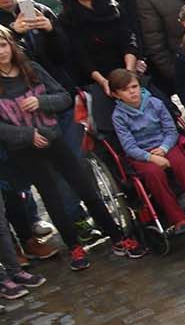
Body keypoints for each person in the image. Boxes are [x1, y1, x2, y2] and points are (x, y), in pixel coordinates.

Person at [0, 26, 141, 268]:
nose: (1, 52)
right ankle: (74, 246)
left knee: (84, 187)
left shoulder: (32, 70)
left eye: (3, 45)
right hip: (25, 148)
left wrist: (41, 102)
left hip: (55, 140)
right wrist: (28, 134)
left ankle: (117, 236)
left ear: (11, 45)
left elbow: (64, 97)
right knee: (51, 198)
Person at [107, 69, 185, 231]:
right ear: (116, 95)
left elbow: (171, 130)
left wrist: (164, 149)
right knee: (154, 174)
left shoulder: (155, 103)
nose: (132, 92)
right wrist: (151, 158)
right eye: (125, 90)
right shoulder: (118, 116)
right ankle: (178, 219)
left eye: (134, 86)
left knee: (182, 163)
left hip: (165, 144)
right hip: (141, 154)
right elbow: (129, 147)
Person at [56, 0, 136, 137]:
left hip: (127, 69)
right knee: (112, 128)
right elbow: (81, 57)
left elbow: (128, 37)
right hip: (98, 78)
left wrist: (130, 72)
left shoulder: (111, 4)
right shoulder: (67, 19)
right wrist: (104, 82)